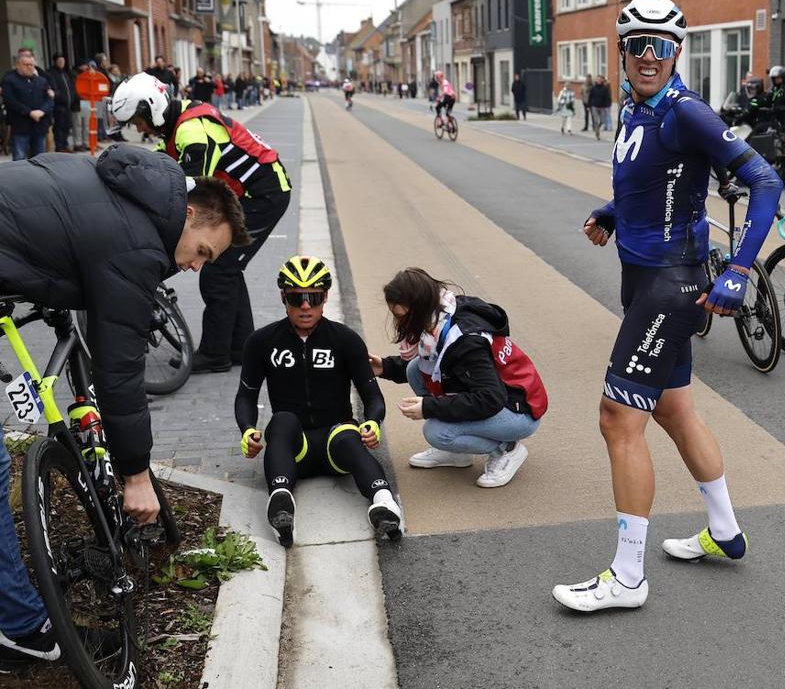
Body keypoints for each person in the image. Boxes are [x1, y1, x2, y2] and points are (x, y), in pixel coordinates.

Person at [553, 0, 782, 613]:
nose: (650, 56)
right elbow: (650, 184)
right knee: (675, 409)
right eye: (638, 45)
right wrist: (610, 212)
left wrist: (738, 270)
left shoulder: (688, 113)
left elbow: (766, 181)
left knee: (616, 417)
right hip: (643, 278)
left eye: (663, 45)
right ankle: (726, 530)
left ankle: (627, 578)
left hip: (670, 286)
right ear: (621, 52)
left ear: (677, 52)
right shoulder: (633, 108)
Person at [0, 145, 248, 671]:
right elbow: (119, 373)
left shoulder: (127, 182)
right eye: (202, 252)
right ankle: (18, 630)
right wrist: (135, 475)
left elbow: (55, 221)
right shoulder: (136, 246)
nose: (192, 267)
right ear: (189, 215)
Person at [111, 72, 292, 373]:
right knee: (229, 269)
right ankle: (240, 348)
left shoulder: (192, 130)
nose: (139, 128)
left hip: (264, 196)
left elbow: (194, 190)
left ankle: (215, 353)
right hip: (251, 194)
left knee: (219, 269)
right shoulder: (177, 126)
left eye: (137, 121)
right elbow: (156, 166)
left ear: (152, 108)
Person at [236, 256, 404, 546]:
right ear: (283, 297)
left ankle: (384, 504)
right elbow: (246, 396)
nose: (305, 306)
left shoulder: (345, 340)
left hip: (334, 444)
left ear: (325, 297)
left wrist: (374, 423)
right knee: (282, 421)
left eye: (313, 297)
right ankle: (280, 504)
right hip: (294, 447)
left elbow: (372, 395)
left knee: (349, 433)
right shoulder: (261, 342)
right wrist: (247, 429)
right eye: (296, 297)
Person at [369, 267, 547, 488]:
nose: (399, 323)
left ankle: (507, 449)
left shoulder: (466, 342)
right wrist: (384, 367)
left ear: (420, 309)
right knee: (415, 369)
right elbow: (438, 361)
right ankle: (457, 453)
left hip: (519, 409)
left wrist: (429, 407)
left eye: (402, 317)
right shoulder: (442, 313)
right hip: (502, 393)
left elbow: (490, 398)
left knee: (436, 431)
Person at [2, 49, 52, 161]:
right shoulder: (9, 80)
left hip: (39, 126)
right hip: (20, 126)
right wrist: (29, 112)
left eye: (32, 65)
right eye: (26, 65)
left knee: (40, 159)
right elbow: (9, 101)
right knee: (20, 160)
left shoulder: (41, 81)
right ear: (18, 65)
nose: (30, 67)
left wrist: (42, 111)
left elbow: (49, 100)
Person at [46, 54, 75, 153]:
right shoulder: (51, 73)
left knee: (67, 125)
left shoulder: (65, 73)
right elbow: (53, 89)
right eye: (59, 61)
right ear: (55, 62)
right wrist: (60, 96)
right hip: (58, 105)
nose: (62, 63)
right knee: (59, 126)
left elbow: (70, 88)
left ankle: (65, 144)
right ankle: (59, 146)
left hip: (68, 105)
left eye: (63, 61)